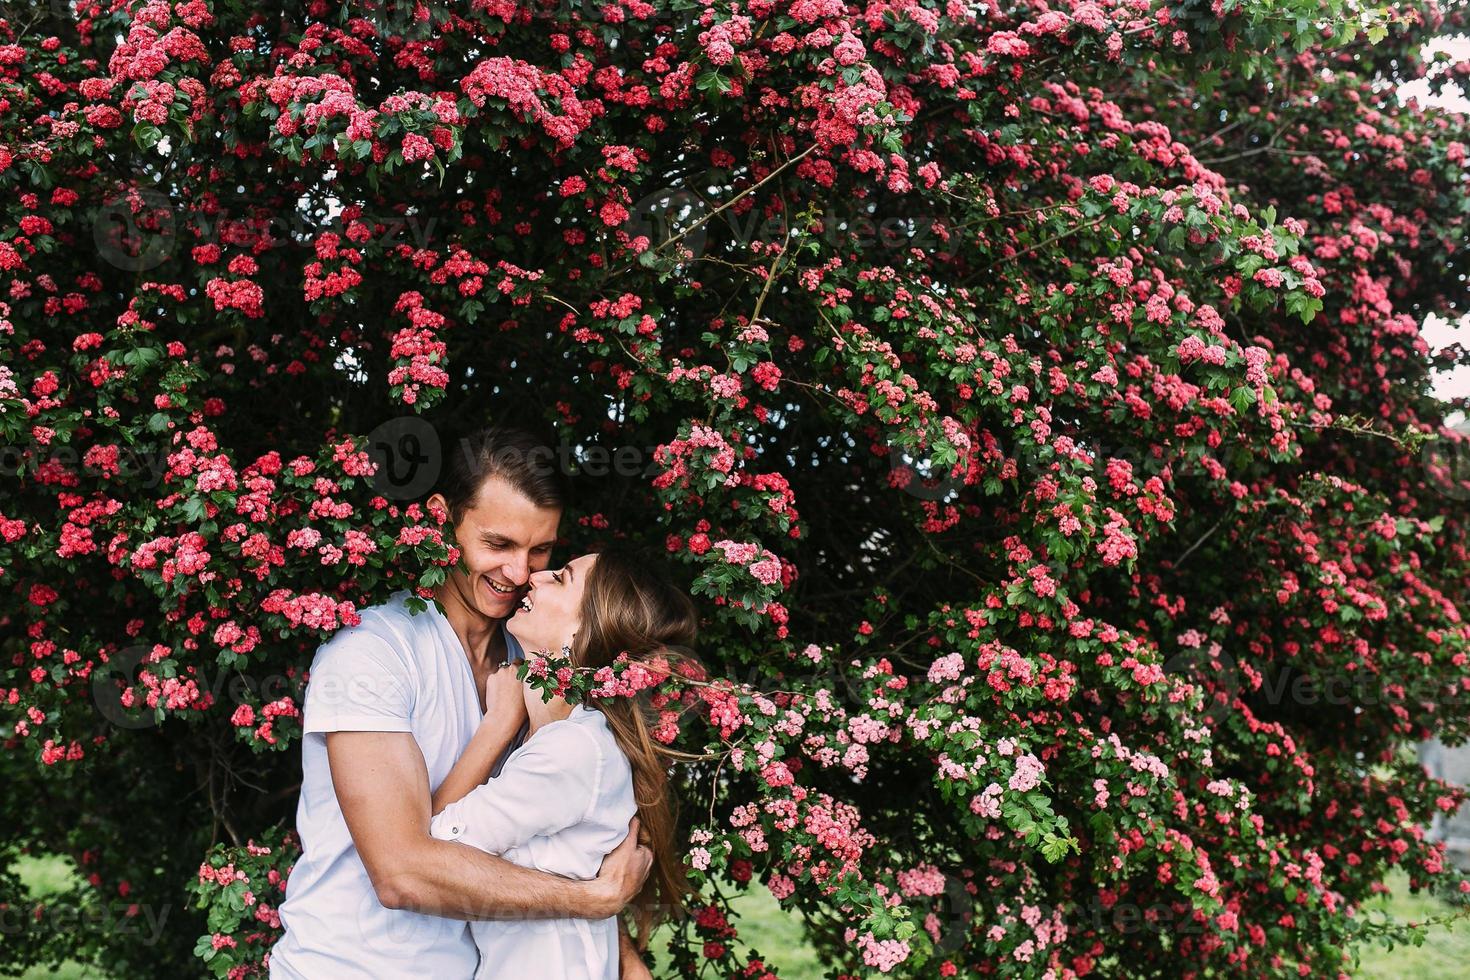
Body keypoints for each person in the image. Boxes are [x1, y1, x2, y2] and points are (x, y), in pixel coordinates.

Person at [269, 426, 654, 979]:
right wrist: (592, 900)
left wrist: (626, 961)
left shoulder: (535, 657)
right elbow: (402, 873)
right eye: (498, 545)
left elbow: (565, 829)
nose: (519, 573)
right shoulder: (373, 652)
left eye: (540, 549)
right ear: (441, 518)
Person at [428, 547, 700, 979]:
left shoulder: (574, 750)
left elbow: (430, 850)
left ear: (583, 633)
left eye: (561, 578)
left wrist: (497, 722)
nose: (535, 576)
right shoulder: (567, 740)